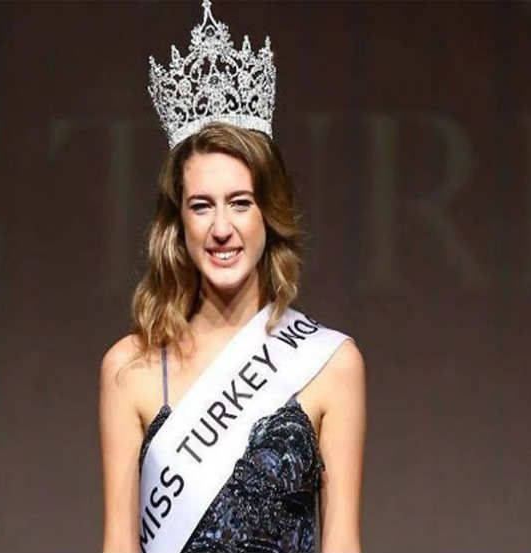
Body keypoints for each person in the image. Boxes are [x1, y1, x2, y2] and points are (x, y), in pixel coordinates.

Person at [99, 2, 366, 552]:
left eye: (240, 202)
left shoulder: (330, 363)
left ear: (269, 212)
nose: (222, 228)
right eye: (202, 205)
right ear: (179, 222)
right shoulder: (130, 368)